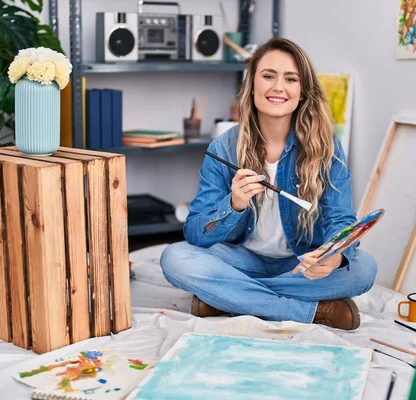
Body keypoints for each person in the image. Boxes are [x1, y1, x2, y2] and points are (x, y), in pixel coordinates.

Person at [160, 37, 377, 330]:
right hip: (240, 260)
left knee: (363, 269)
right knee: (174, 258)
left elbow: (341, 218)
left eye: (290, 79)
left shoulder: (326, 146)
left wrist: (335, 255)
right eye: (268, 76)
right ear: (252, 86)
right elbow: (195, 232)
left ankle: (226, 297)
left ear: (302, 92)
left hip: (300, 264)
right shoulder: (223, 148)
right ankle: (306, 311)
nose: (278, 87)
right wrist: (233, 205)